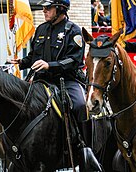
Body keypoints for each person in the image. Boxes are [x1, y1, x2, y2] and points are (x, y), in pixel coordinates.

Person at [11, 0, 102, 170]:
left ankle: (86, 151)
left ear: (60, 8)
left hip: (66, 80)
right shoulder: (41, 29)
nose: (44, 10)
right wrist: (21, 62)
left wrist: (50, 65)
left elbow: (74, 60)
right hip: (41, 81)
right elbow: (33, 56)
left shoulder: (73, 30)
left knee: (81, 105)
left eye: (48, 7)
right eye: (44, 7)